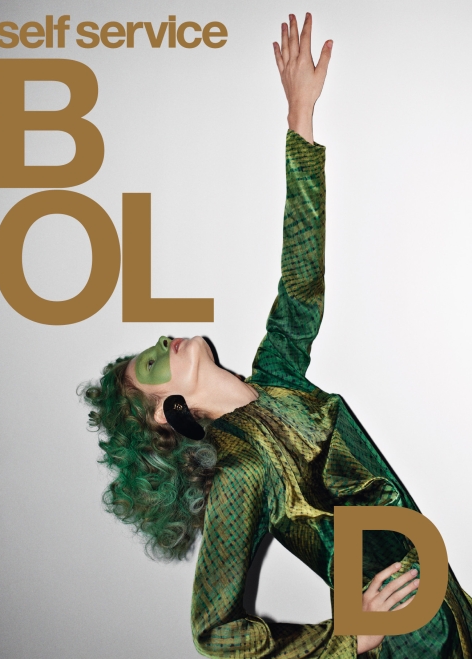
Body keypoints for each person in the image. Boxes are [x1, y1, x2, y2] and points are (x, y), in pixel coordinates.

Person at [82, 12, 472, 657]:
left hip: (447, 603)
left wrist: (300, 115)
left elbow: (301, 276)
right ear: (167, 414)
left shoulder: (278, 378)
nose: (163, 342)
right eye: (150, 364)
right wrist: (348, 638)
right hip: (410, 639)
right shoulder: (241, 472)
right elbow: (215, 634)